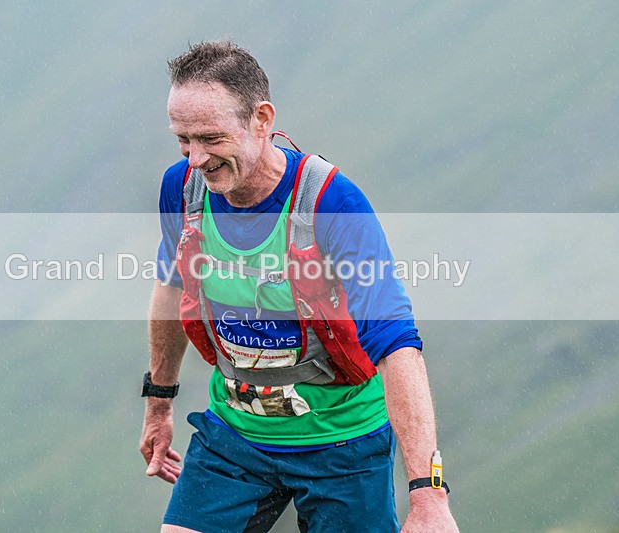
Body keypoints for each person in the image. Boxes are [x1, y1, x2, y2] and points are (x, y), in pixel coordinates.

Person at [140, 40, 459, 533]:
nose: (196, 157)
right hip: (236, 438)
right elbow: (172, 286)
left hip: (343, 445)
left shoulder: (333, 202)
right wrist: (158, 403)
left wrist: (429, 497)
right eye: (182, 139)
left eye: (210, 138)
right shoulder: (181, 189)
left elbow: (397, 344)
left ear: (261, 119)